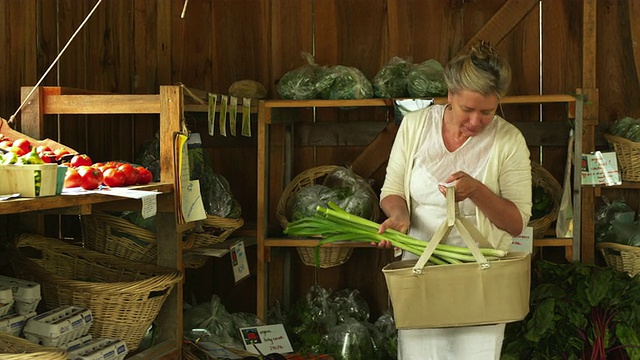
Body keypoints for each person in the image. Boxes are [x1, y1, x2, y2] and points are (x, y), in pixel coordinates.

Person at [377, 41, 532, 359]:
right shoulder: (416, 126)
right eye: (468, 110)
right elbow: (392, 190)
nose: (476, 121)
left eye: (487, 112)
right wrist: (400, 216)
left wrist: (477, 190)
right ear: (450, 94)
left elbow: (517, 223)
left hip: (481, 278)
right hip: (421, 271)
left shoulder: (509, 139)